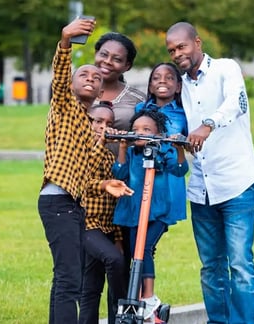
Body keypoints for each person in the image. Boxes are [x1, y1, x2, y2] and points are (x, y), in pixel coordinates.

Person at [37, 17, 133, 324]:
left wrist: (104, 185)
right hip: (57, 202)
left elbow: (83, 178)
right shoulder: (64, 107)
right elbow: (60, 74)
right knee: (70, 280)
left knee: (64, 277)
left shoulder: (85, 125)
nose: (91, 78)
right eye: (84, 75)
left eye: (96, 79)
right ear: (72, 84)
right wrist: (65, 40)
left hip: (73, 205)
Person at [166, 22, 254, 324]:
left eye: (181, 46)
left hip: (236, 183)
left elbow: (237, 103)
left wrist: (207, 124)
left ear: (197, 42)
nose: (177, 53)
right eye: (171, 50)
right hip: (201, 189)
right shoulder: (180, 85)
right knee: (210, 266)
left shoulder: (225, 68)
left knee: (241, 264)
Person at [112, 109, 189, 323]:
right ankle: (137, 298)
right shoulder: (130, 153)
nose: (140, 133)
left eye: (147, 130)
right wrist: (122, 146)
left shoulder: (163, 151)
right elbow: (119, 173)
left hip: (157, 213)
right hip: (133, 213)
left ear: (158, 133)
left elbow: (181, 169)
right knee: (136, 251)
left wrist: (179, 149)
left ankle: (149, 296)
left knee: (143, 248)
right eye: (136, 129)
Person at [94, 31, 146, 324]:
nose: (108, 62)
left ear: (126, 66)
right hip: (87, 187)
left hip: (124, 186)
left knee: (122, 261)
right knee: (88, 263)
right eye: (103, 54)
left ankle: (121, 318)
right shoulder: (82, 87)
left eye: (117, 59)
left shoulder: (137, 99)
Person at [79, 102, 127, 324]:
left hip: (107, 227)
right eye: (98, 121)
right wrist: (102, 142)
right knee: (114, 261)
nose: (103, 127)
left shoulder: (109, 157)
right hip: (87, 225)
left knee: (92, 285)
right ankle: (120, 315)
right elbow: (86, 177)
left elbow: (114, 199)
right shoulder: (78, 150)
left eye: (109, 123)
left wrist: (117, 237)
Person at [135, 62, 188, 223]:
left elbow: (189, 142)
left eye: (169, 78)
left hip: (169, 175)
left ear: (178, 87)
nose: (162, 81)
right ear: (150, 86)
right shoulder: (140, 109)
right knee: (140, 223)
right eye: (156, 78)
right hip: (142, 173)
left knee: (159, 221)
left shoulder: (184, 113)